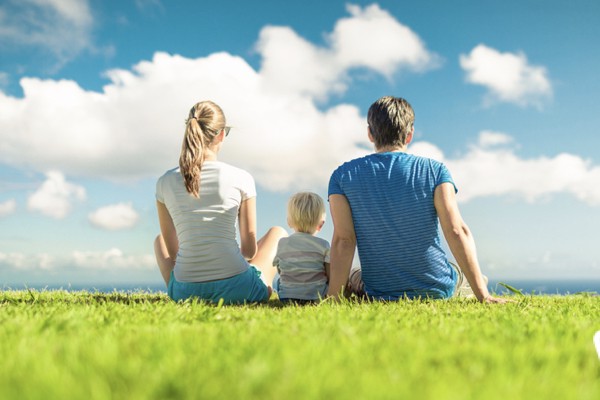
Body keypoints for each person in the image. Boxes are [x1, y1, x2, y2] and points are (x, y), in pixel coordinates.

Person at [326, 96, 509, 303]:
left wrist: (332, 299)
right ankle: (472, 284)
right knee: (456, 273)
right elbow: (456, 231)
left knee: (355, 275)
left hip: (379, 292)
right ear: (409, 134)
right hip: (436, 289)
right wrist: (484, 296)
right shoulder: (435, 171)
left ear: (370, 133)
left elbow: (344, 240)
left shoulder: (342, 176)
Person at [154, 100, 287, 304]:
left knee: (159, 240)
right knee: (278, 233)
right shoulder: (241, 178)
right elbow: (249, 251)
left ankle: (188, 288)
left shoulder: (164, 182)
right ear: (221, 134)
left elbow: (173, 253)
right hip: (239, 290)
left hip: (185, 292)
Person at [272, 192, 331, 302]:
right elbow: (329, 275)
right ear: (321, 224)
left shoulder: (283, 243)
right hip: (316, 297)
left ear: (289, 222)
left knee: (277, 280)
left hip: (287, 297)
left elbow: (280, 270)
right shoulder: (324, 245)